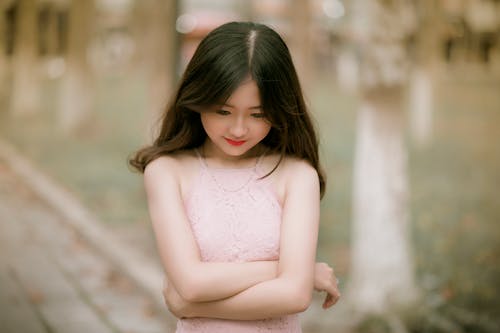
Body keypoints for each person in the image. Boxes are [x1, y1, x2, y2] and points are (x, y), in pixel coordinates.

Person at [129, 21, 340, 332]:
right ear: (197, 97)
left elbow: (294, 295)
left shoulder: (296, 175)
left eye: (257, 114)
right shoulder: (167, 172)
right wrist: (298, 271)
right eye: (223, 111)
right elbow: (190, 284)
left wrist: (190, 304)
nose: (239, 129)